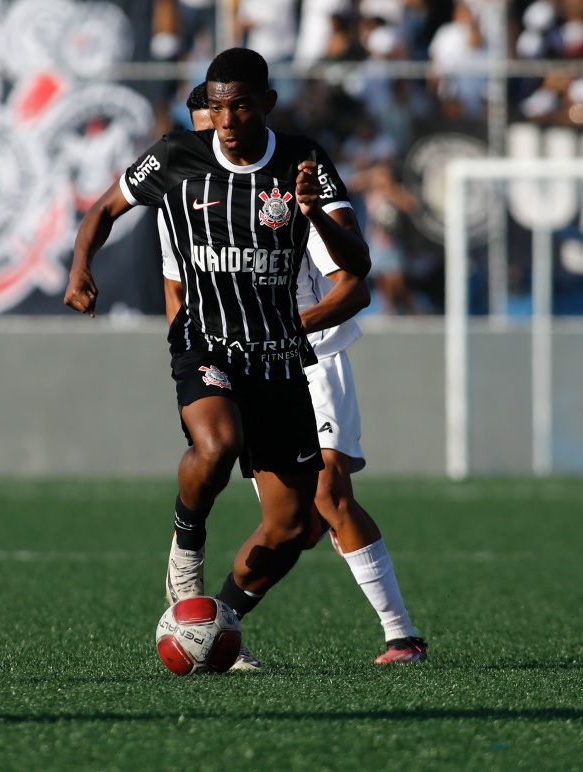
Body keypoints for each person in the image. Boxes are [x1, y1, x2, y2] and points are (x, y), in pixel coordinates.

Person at [65, 48, 371, 670]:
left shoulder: (301, 162)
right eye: (217, 105)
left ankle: (215, 623)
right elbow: (102, 209)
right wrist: (81, 269)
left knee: (292, 530)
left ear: (267, 105)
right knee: (218, 442)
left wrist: (314, 214)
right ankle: (185, 547)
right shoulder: (177, 156)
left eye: (240, 105)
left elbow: (357, 266)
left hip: (280, 355)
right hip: (204, 340)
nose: (226, 119)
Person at [163, 84, 428, 664]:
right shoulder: (180, 194)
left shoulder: (288, 185)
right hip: (239, 366)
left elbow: (353, 285)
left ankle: (400, 635)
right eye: (204, 129)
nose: (218, 136)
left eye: (228, 120)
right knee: (296, 527)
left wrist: (283, 326)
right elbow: (178, 293)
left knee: (330, 494)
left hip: (312, 358)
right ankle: (218, 629)